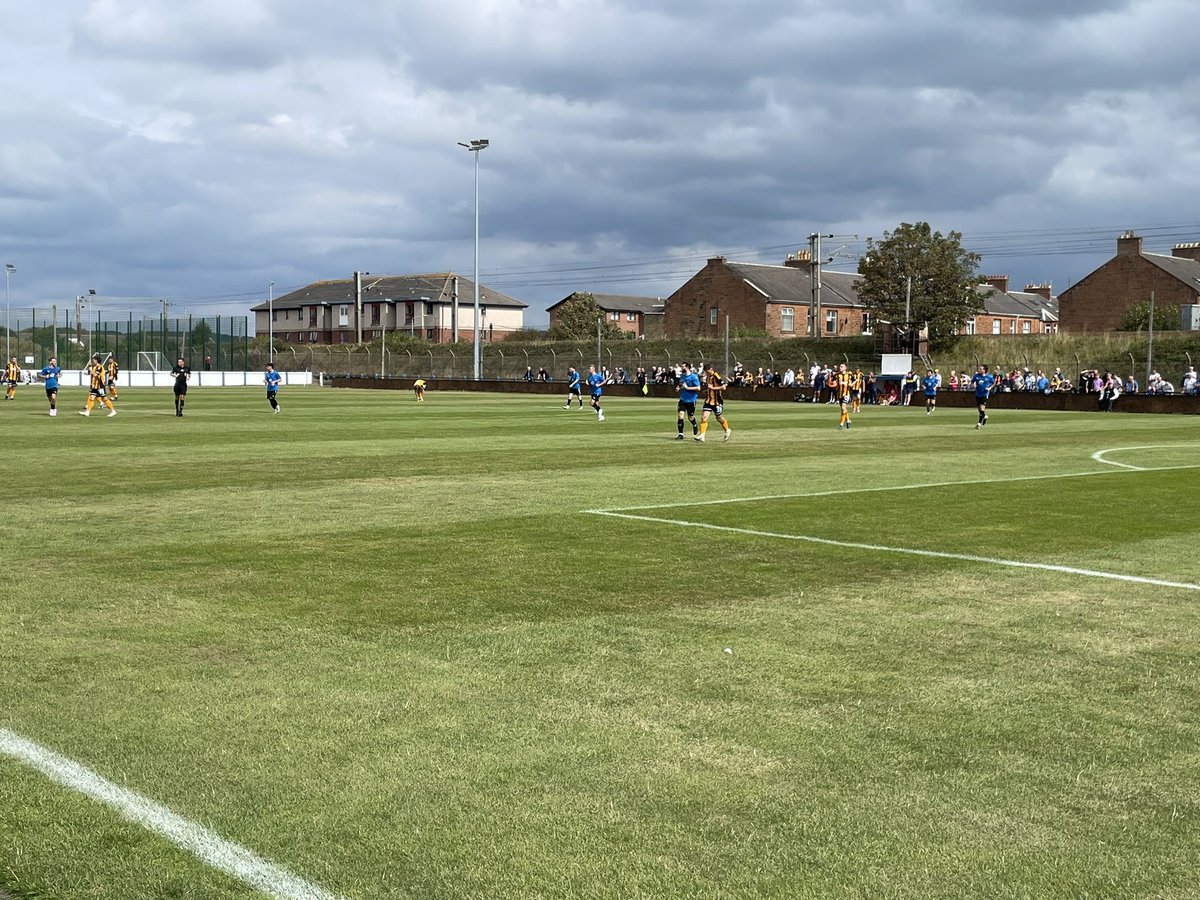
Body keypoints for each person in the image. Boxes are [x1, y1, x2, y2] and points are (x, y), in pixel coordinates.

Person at [698, 363, 731, 442]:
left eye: (707, 371)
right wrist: (707, 391)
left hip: (717, 402)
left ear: (711, 369)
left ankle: (727, 430)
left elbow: (723, 387)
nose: (707, 373)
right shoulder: (708, 378)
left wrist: (712, 388)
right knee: (704, 417)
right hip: (708, 401)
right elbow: (710, 388)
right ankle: (702, 435)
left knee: (719, 418)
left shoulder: (716, 376)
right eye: (705, 372)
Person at [675, 362, 701, 440]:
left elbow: (698, 388)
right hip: (683, 399)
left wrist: (688, 388)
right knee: (680, 416)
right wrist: (678, 388)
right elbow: (680, 384)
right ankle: (680, 434)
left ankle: (694, 425)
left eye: (683, 366)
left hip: (691, 400)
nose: (681, 368)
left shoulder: (694, 377)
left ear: (687, 367)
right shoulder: (682, 376)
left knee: (690, 417)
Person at [828, 362, 853, 429]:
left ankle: (841, 424)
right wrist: (833, 381)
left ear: (845, 368)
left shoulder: (849, 375)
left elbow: (854, 380)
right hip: (839, 394)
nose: (840, 368)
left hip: (846, 394)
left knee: (843, 408)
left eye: (842, 367)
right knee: (843, 410)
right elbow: (832, 380)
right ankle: (848, 421)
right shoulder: (837, 374)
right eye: (840, 366)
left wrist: (851, 384)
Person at [970, 364, 995, 429]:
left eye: (980, 369)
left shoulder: (989, 377)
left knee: (982, 408)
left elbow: (994, 382)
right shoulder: (976, 376)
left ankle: (978, 424)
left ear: (984, 370)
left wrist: (990, 388)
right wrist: (973, 385)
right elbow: (972, 382)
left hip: (984, 394)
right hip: (977, 394)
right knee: (979, 409)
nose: (979, 370)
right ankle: (984, 416)